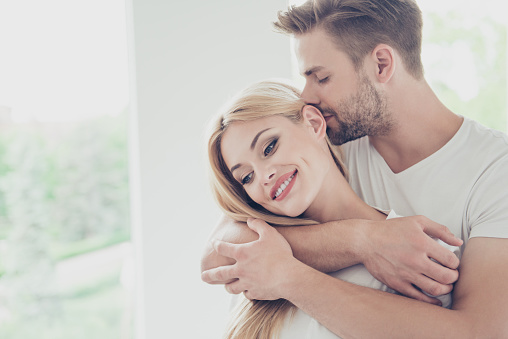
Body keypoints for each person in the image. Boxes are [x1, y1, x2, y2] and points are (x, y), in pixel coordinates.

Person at [202, 0, 508, 337]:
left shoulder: (495, 170)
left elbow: (482, 332)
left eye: (321, 77)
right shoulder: (333, 143)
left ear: (381, 64)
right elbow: (221, 254)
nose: (306, 96)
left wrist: (289, 274)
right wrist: (364, 239)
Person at [206, 80, 456, 338]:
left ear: (314, 123)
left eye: (269, 147)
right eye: (246, 177)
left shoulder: (416, 252)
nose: (263, 176)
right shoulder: (256, 264)